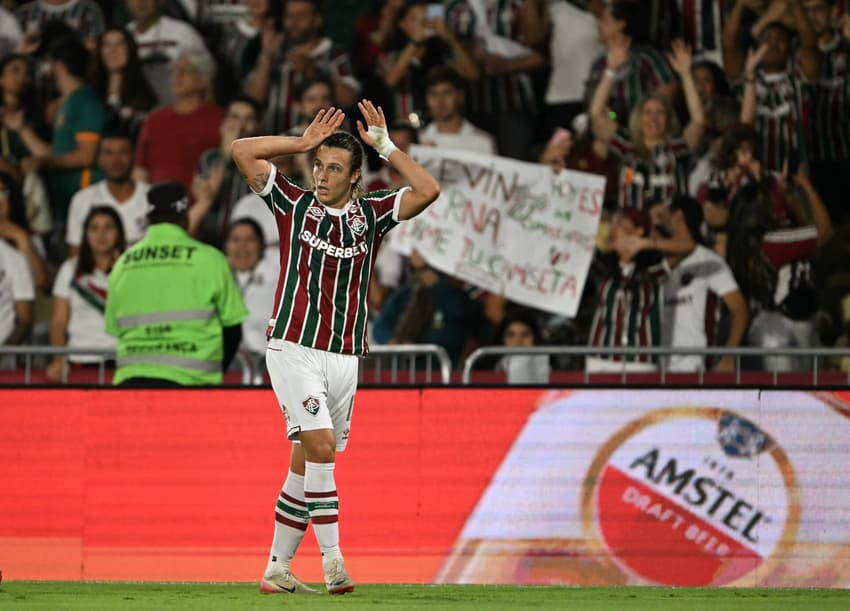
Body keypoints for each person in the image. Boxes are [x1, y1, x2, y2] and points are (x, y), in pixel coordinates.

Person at [230, 99, 440, 594]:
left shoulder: (372, 215)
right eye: (319, 166)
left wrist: (387, 145)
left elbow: (428, 190)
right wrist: (300, 143)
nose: (322, 176)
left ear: (354, 178)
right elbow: (242, 151)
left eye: (334, 168)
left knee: (306, 462)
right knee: (321, 446)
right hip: (293, 346)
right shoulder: (293, 203)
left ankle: (277, 569)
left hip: (344, 357)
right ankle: (334, 562)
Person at [104, 181, 248, 387]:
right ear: (186, 217)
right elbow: (233, 329)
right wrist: (214, 372)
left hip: (131, 384)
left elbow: (114, 327)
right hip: (192, 385)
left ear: (149, 218)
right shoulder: (211, 260)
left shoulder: (123, 264)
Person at [47, 206, 125, 382]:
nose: (101, 234)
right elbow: (59, 323)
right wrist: (59, 360)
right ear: (85, 234)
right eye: (94, 228)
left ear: (119, 232)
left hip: (123, 361)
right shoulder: (70, 269)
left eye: (108, 227)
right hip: (80, 360)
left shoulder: (131, 269)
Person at [133, 49, 224, 198]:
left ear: (203, 79)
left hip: (203, 208)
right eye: (174, 71)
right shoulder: (154, 120)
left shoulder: (220, 120)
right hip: (160, 209)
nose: (177, 76)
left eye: (185, 71)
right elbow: (141, 170)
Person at [66, 128, 150, 254]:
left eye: (123, 152)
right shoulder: (82, 200)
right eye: (109, 153)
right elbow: (75, 255)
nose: (116, 160)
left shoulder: (152, 198)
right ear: (99, 159)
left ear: (134, 156)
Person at [223, 217, 278, 369]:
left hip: (268, 365)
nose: (242, 247)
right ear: (226, 246)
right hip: (225, 364)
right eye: (235, 239)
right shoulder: (215, 278)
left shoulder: (279, 281)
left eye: (250, 240)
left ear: (261, 246)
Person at [91, 26, 158, 138]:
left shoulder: (144, 97)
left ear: (130, 50)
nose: (113, 51)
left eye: (120, 44)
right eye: (107, 45)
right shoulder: (90, 95)